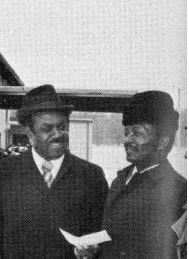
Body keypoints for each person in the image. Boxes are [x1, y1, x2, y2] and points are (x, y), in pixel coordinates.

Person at [0, 84, 109, 258]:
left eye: (62, 126)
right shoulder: (4, 174)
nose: (57, 134)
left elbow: (105, 236)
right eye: (47, 129)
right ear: (30, 134)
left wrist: (93, 251)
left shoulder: (91, 176)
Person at [76, 91, 186, 259]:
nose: (127, 139)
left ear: (162, 142)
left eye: (137, 133)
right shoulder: (119, 180)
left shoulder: (178, 191)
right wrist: (94, 251)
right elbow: (111, 237)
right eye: (126, 132)